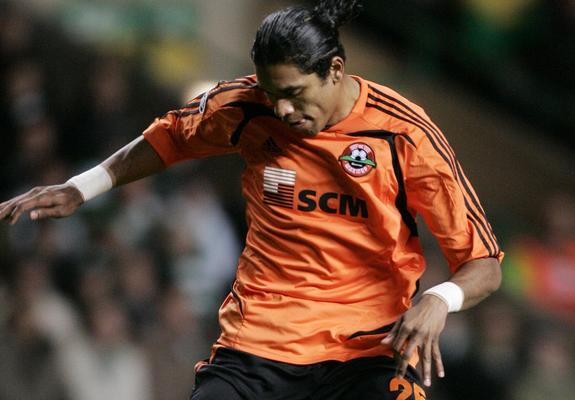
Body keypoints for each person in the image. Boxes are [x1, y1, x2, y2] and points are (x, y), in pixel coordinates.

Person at [0, 1, 503, 399]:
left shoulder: (403, 134)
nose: (281, 109)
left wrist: (440, 299)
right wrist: (82, 187)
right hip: (258, 346)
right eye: (270, 92)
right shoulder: (245, 106)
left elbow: (483, 265)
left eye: (294, 93)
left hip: (369, 353)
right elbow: (168, 138)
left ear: (335, 69)